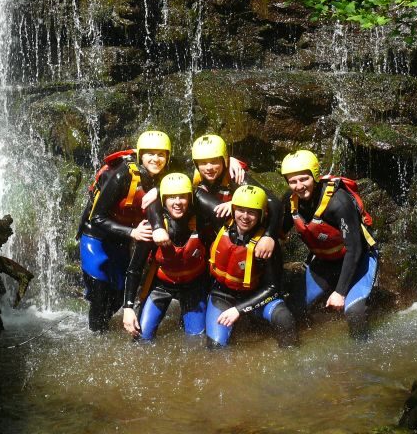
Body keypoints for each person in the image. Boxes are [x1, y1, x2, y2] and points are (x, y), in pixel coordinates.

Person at [78, 130, 171, 332]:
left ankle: (103, 327)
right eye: (150, 154)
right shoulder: (122, 175)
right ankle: (96, 337)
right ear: (140, 155)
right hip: (97, 237)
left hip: (122, 239)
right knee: (100, 293)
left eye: (161, 154)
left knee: (119, 297)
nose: (156, 159)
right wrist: (132, 233)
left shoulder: (164, 174)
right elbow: (97, 217)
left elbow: (192, 169)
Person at [279, 149, 378, 336]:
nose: (299, 186)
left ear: (315, 177)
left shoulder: (338, 202)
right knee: (291, 310)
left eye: (304, 179)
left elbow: (355, 249)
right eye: (292, 181)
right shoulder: (291, 200)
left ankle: (362, 358)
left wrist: (340, 293)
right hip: (325, 262)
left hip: (359, 259)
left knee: (354, 313)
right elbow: (278, 231)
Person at [205, 185, 297, 347]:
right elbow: (193, 195)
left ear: (262, 215)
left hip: (256, 296)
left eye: (252, 212)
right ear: (232, 209)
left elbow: (273, 288)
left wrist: (239, 309)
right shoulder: (220, 223)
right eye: (240, 210)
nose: (245, 217)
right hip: (222, 295)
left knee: (285, 318)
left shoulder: (267, 244)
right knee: (216, 347)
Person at [162, 133, 281, 258]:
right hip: (206, 235)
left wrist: (269, 236)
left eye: (214, 162)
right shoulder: (190, 172)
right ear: (196, 164)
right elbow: (164, 168)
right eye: (203, 163)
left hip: (238, 233)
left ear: (224, 160)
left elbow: (274, 203)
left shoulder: (235, 175)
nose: (209, 168)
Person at [122, 173, 208, 341]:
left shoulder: (202, 220)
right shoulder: (152, 227)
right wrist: (128, 307)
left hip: (194, 286)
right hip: (162, 286)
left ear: (190, 198)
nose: (177, 202)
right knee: (141, 340)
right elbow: (134, 269)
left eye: (182, 197)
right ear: (163, 200)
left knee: (196, 341)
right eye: (171, 198)